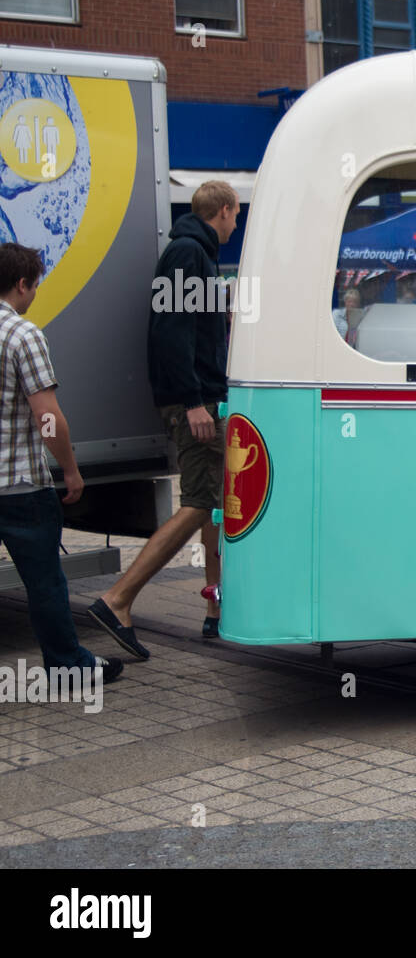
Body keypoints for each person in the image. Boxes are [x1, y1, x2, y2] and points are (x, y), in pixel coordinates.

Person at [89, 181, 240, 655]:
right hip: (194, 403)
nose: (237, 223)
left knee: (215, 499)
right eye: (236, 214)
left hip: (202, 398)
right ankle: (118, 598)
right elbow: (171, 335)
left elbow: (192, 330)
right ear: (224, 210)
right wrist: (193, 400)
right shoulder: (188, 254)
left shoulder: (197, 255)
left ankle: (216, 608)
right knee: (200, 501)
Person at [0, 243, 123, 683]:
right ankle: (67, 665)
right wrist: (70, 469)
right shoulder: (23, 335)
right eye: (35, 285)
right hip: (20, 488)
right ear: (21, 284)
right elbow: (47, 417)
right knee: (44, 582)